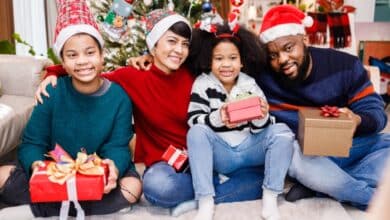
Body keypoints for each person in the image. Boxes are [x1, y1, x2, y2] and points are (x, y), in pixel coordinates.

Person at [34, 8, 266, 216]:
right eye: (171, 42)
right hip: (168, 165)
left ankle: (204, 193)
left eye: (184, 44)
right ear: (154, 45)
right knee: (157, 188)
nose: (179, 50)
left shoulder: (194, 73)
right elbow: (90, 72)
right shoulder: (133, 77)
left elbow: (228, 67)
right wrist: (53, 72)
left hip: (211, 156)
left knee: (261, 174)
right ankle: (220, 188)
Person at [0, 0, 141, 218]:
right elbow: (32, 142)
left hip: (96, 175)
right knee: (2, 175)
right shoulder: (53, 92)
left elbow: (119, 147)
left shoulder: (119, 98)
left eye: (90, 53)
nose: (83, 61)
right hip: (54, 170)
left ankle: (41, 207)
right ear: (63, 63)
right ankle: (77, 203)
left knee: (132, 187)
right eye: (72, 55)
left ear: (102, 56)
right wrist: (37, 167)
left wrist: (112, 168)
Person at [256, 5, 390, 209]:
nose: (282, 59)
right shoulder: (263, 76)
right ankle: (368, 198)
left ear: (305, 39)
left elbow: (377, 114)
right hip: (302, 154)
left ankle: (321, 186)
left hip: (347, 145)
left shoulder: (346, 66)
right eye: (273, 55)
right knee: (290, 154)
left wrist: (357, 120)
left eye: (289, 48)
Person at [186, 21, 294, 220]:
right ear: (210, 61)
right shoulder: (202, 83)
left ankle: (270, 199)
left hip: (249, 149)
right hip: (222, 154)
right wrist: (219, 117)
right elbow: (193, 120)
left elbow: (262, 129)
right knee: (196, 132)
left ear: (242, 61)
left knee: (282, 131)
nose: (226, 64)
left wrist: (262, 116)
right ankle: (205, 201)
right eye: (219, 59)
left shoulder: (249, 84)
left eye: (232, 58)